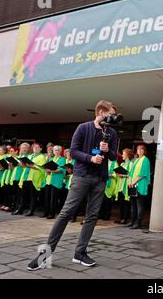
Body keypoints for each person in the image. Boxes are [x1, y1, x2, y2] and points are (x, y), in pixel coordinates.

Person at [27, 100, 118, 271]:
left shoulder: (111, 132)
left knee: (92, 216)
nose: (112, 118)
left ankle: (80, 253)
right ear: (100, 113)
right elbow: (73, 151)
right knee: (66, 212)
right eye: (110, 115)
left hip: (100, 179)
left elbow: (114, 156)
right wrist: (90, 158)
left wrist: (107, 151)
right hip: (82, 176)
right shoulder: (83, 128)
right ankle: (45, 255)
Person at [128, 144, 151, 229]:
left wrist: (134, 182)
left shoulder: (145, 160)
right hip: (133, 185)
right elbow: (131, 173)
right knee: (133, 204)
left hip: (140, 185)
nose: (139, 151)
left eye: (141, 149)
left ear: (144, 151)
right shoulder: (136, 160)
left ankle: (138, 222)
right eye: (138, 149)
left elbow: (143, 174)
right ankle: (132, 221)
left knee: (139, 204)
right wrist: (130, 182)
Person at [43, 145, 66, 219]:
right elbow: (48, 168)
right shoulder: (51, 159)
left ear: (60, 151)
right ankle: (46, 212)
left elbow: (61, 170)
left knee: (53, 199)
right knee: (47, 198)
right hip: (48, 180)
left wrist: (51, 171)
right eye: (54, 150)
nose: (56, 151)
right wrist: (47, 171)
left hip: (55, 181)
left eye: (57, 150)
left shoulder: (62, 159)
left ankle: (52, 214)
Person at [115, 148, 134, 224]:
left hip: (126, 185)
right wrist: (118, 174)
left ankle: (125, 218)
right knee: (121, 202)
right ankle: (121, 217)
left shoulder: (131, 164)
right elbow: (119, 174)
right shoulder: (122, 164)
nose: (122, 155)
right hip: (120, 185)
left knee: (126, 202)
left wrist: (123, 175)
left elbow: (132, 175)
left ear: (127, 155)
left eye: (123, 154)